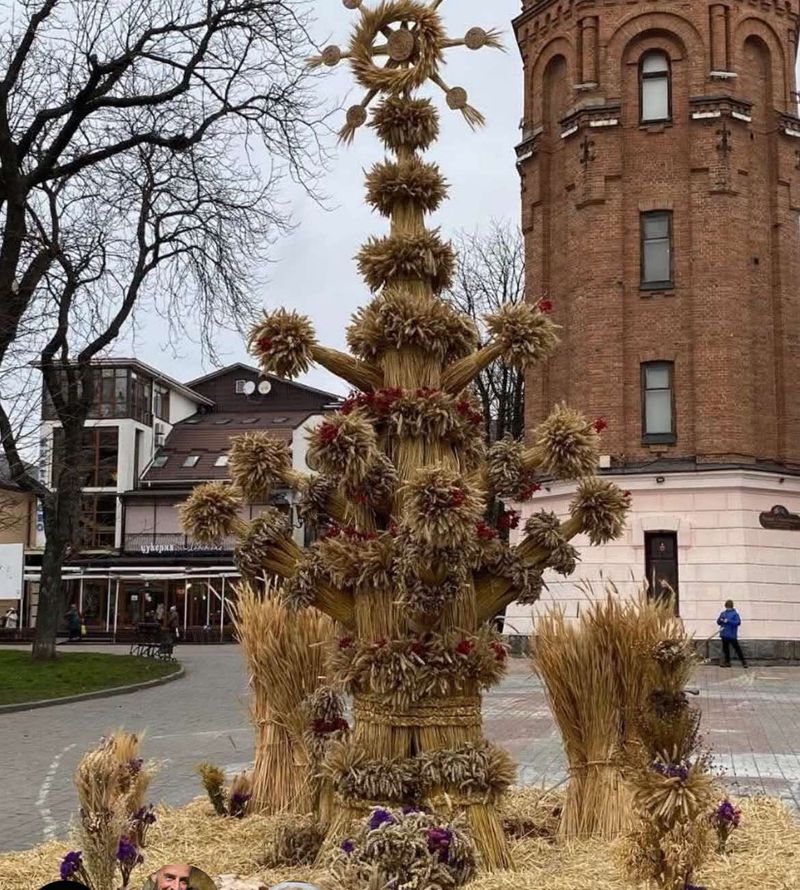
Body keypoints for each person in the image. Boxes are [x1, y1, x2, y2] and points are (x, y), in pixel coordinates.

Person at [717, 599, 747, 668]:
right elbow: (718, 622)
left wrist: (728, 621)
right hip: (724, 634)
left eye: (729, 607)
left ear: (731, 607)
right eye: (727, 607)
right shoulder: (723, 613)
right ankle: (727, 662)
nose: (728, 608)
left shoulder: (735, 614)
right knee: (726, 649)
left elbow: (738, 622)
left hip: (731, 634)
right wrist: (720, 620)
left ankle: (744, 662)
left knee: (737, 648)